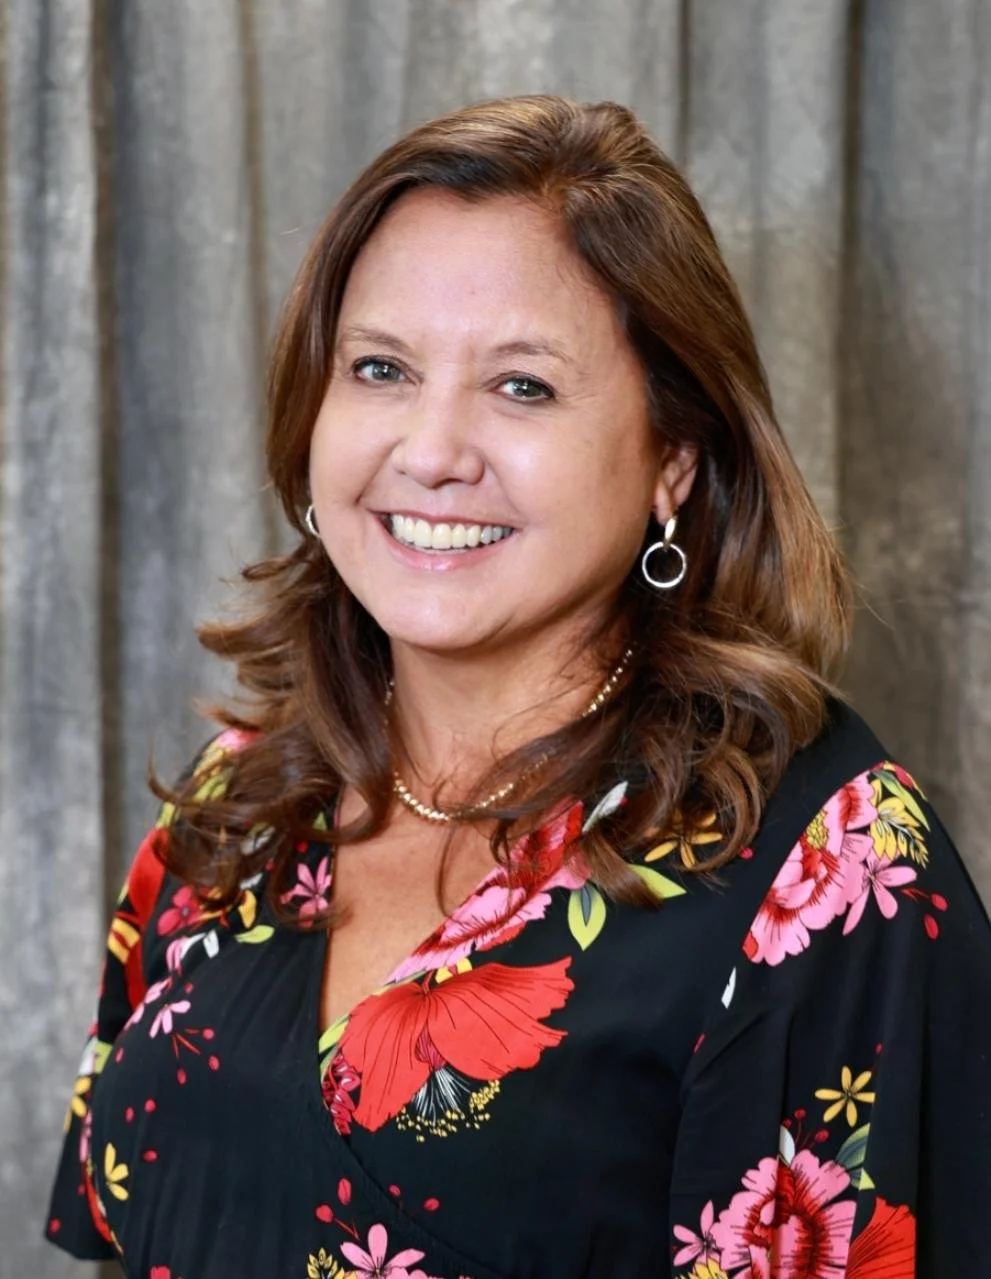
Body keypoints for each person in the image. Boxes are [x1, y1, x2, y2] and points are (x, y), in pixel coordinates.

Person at [45, 94, 991, 1279]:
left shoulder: (829, 870)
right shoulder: (236, 805)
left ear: (673, 459)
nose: (431, 449)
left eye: (523, 386)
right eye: (380, 368)